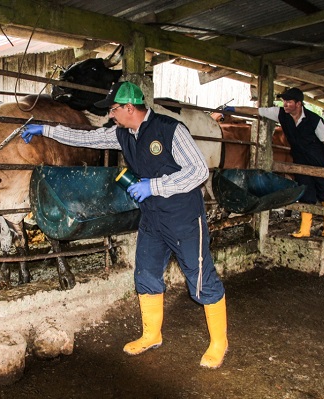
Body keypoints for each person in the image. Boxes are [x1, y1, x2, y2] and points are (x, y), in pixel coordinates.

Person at [22, 81, 228, 368]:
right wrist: (45, 130)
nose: (110, 115)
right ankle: (151, 334)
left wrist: (154, 186)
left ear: (129, 108)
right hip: (152, 218)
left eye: (114, 110)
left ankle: (219, 342)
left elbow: (198, 172)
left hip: (183, 217)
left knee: (201, 276)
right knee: (145, 273)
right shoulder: (123, 134)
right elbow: (88, 138)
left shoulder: (171, 130)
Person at [223, 87, 324, 238]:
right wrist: (234, 109)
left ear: (298, 104)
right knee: (306, 192)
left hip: (319, 160)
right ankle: (305, 230)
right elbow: (257, 111)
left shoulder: (315, 120)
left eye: (289, 102)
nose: (285, 104)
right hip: (300, 161)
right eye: (284, 101)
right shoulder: (281, 114)